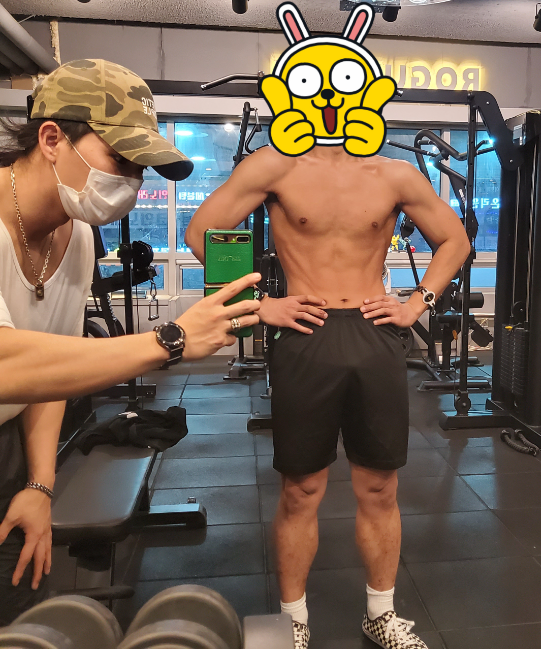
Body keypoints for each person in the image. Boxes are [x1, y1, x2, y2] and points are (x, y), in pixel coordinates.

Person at [0, 59, 262, 626]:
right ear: (52, 139)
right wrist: (171, 338)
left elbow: (55, 371)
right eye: (121, 159)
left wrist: (39, 482)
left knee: (16, 612)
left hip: (8, 453)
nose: (132, 182)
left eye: (140, 168)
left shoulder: (76, 235)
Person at [186, 138, 470, 649]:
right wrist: (260, 304)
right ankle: (293, 620)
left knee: (380, 486)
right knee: (301, 489)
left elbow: (454, 240)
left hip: (373, 331)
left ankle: (380, 615)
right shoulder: (274, 165)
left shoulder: (396, 174)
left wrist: (417, 303)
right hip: (305, 331)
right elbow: (202, 231)